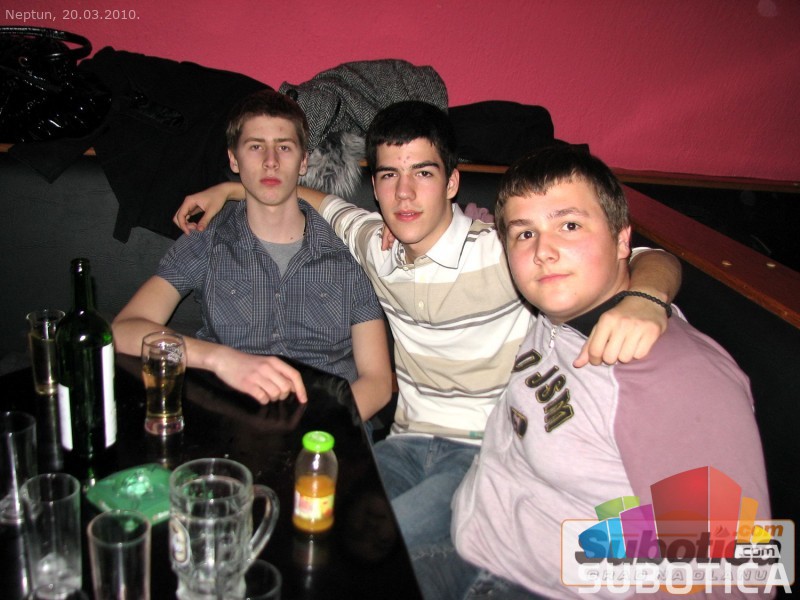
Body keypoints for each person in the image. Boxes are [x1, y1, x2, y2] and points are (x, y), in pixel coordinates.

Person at [173, 100, 682, 570]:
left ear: (452, 182)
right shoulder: (373, 243)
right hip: (403, 441)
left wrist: (647, 298)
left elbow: (639, 257)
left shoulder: (502, 252)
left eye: (423, 173)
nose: (405, 193)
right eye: (389, 176)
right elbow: (312, 198)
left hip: (484, 453)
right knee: (310, 520)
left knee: (377, 553)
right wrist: (230, 189)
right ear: (374, 187)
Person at [414, 145, 770, 599]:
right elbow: (651, 258)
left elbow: (733, 572)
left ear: (621, 241)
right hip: (474, 527)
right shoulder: (558, 312)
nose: (543, 252)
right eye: (525, 233)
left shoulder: (677, 380)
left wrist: (582, 558)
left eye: (569, 225)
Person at [113, 89, 392, 420]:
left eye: (284, 147)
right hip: (234, 421)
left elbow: (377, 382)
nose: (270, 161)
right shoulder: (208, 240)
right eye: (256, 146)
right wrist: (219, 359)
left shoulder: (345, 249)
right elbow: (124, 329)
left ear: (304, 161)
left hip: (330, 422)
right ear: (234, 159)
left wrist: (317, 430)